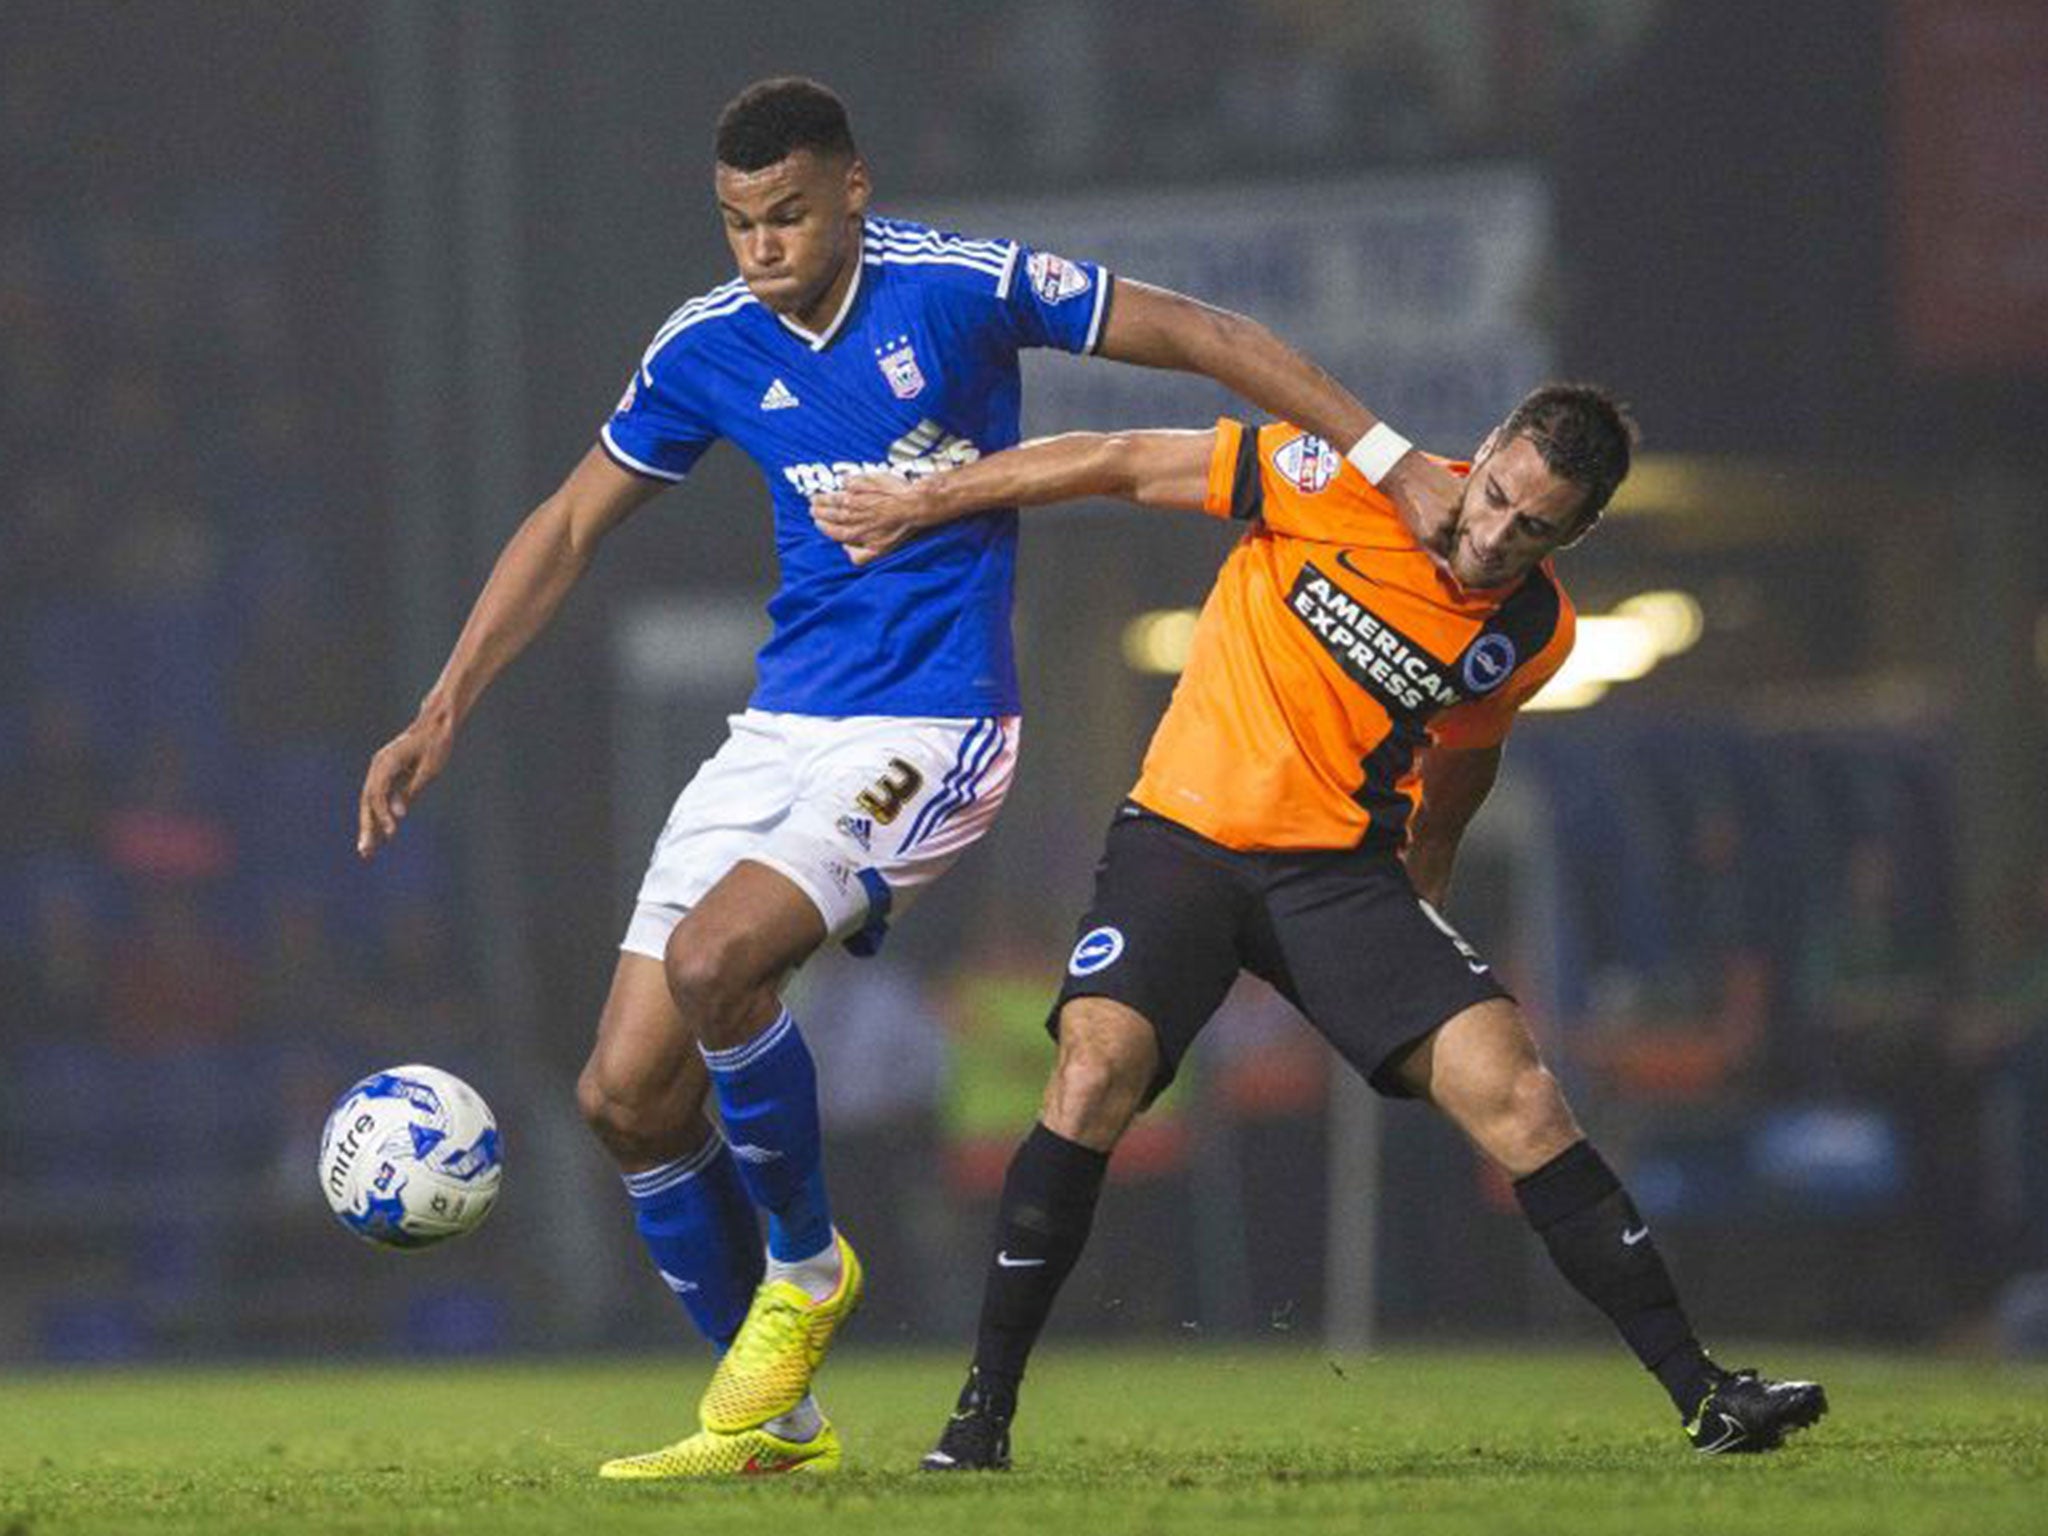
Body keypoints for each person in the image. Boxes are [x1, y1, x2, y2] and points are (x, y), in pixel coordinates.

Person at [354, 76, 1463, 1479]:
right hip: (778, 732)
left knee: (716, 968)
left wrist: (1389, 459)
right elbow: (572, 519)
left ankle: (808, 1271)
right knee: (621, 1095)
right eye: (738, 223)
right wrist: (443, 704)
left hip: (931, 731)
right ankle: (776, 1431)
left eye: (788, 216)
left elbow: (1206, 332)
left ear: (855, 191)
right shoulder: (703, 344)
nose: (760, 247)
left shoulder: (961, 286)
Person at [812, 383, 1828, 1467]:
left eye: (1531, 528)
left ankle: (1703, 1396)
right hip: (1180, 844)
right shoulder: (1336, 476)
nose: (1490, 537)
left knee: (1520, 1096)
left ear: (1574, 533)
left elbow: (1466, 754)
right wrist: (929, 500)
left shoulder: (1536, 629)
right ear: (1477, 453)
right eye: (1490, 496)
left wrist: (1420, 882)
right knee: (1092, 1072)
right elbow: (1112, 456)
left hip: (1335, 877)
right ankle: (980, 1421)